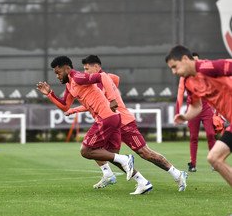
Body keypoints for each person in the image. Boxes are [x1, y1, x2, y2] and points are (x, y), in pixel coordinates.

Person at [65, 55, 188, 194]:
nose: (85, 72)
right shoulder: (101, 80)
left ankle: (177, 173)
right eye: (84, 69)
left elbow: (103, 97)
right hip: (112, 121)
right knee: (101, 151)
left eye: (88, 69)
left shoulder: (100, 81)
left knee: (144, 153)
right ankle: (127, 178)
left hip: (124, 121)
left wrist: (75, 109)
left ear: (97, 67)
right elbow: (116, 79)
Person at [36, 56, 150, 194]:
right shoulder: (70, 84)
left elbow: (103, 76)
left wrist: (112, 98)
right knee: (109, 155)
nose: (57, 76)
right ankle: (142, 182)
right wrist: (49, 93)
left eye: (58, 72)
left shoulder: (77, 77)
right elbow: (65, 106)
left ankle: (125, 160)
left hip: (106, 117)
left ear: (67, 69)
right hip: (112, 118)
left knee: (86, 150)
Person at [166, 45, 232, 186]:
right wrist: (184, 117)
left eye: (175, 67)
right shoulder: (189, 82)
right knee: (214, 158)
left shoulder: (209, 67)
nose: (173, 72)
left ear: (184, 59)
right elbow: (196, 106)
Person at [176, 52, 216, 172]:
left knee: (210, 134)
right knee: (193, 137)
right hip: (193, 109)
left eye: (197, 61)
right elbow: (180, 93)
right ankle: (192, 164)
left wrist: (217, 111)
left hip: (206, 107)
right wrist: (177, 111)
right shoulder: (184, 75)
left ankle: (214, 161)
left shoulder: (204, 72)